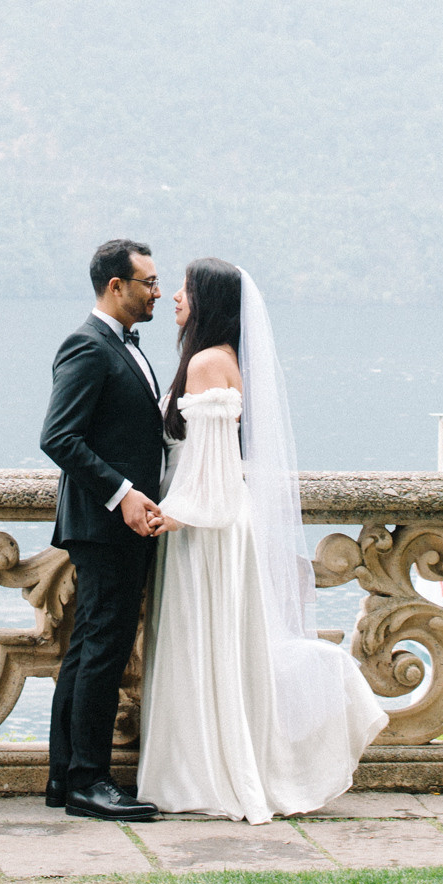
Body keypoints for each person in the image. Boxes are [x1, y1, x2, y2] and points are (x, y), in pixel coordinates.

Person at [137, 257, 388, 820]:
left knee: (207, 644)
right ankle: (209, 764)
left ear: (210, 304)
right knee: (220, 644)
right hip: (214, 522)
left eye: (186, 290)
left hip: (206, 529)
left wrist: (176, 514)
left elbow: (217, 465)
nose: (175, 297)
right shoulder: (219, 360)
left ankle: (203, 774)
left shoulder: (205, 362)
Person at [39, 237, 170, 821]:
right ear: (115, 286)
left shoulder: (125, 346)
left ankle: (66, 776)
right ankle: (90, 780)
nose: (157, 294)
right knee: (102, 651)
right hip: (106, 524)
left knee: (90, 648)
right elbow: (58, 438)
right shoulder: (87, 346)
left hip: (116, 524)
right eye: (147, 283)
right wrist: (123, 495)